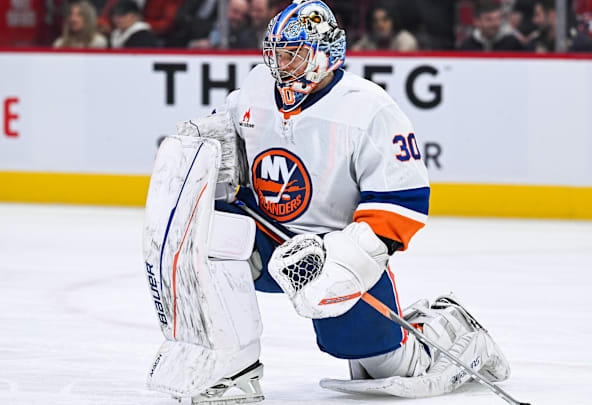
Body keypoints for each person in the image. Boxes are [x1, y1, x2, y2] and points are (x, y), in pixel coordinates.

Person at [143, 0, 512, 403]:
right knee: (209, 240)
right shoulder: (256, 85)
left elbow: (403, 200)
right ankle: (232, 374)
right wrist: (211, 145)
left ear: (325, 53)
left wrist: (345, 258)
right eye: (276, 52)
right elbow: (229, 132)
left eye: (293, 53)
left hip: (331, 255)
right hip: (265, 236)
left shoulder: (370, 108)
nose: (280, 63)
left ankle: (451, 330)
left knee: (380, 365)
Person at [528, 0, 592, 52]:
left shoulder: (581, 44)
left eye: (538, 15)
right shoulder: (535, 43)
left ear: (552, 15)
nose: (535, 20)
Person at [458, 0, 525, 51]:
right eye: (489, 20)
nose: (495, 24)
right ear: (477, 22)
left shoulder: (512, 44)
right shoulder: (467, 47)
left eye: (498, 18)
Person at [352, 2, 419, 51]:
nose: (380, 25)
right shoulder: (368, 39)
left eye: (385, 19)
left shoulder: (405, 39)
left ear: (393, 21)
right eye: (375, 21)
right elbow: (353, 54)